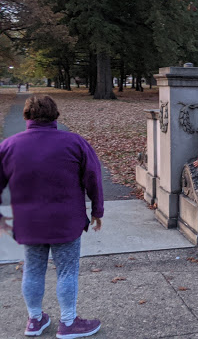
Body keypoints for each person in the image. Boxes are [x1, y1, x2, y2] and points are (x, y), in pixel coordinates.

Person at [0, 95, 104, 338]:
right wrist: (97, 210)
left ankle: (34, 320)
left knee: (33, 269)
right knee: (67, 270)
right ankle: (68, 322)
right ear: (55, 115)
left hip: (28, 222)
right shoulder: (75, 143)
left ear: (26, 116)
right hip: (66, 221)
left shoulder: (9, 146)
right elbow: (93, 178)